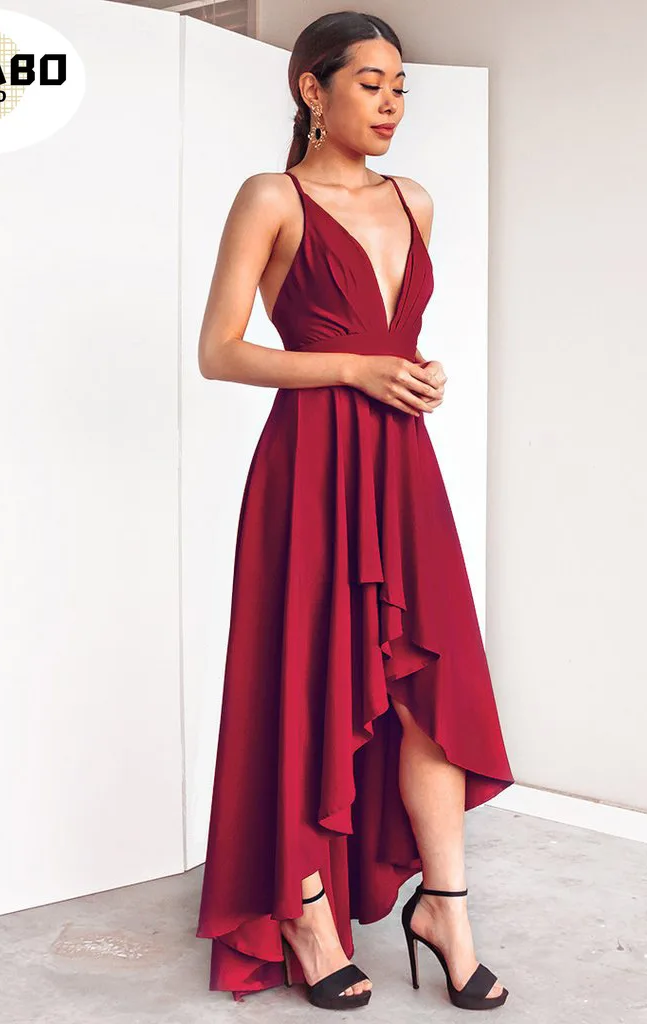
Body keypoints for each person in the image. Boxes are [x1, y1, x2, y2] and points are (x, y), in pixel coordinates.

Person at [194, 10, 514, 1011]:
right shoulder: (271, 196)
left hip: (401, 468)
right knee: (305, 685)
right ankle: (304, 912)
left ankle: (445, 909)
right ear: (311, 89)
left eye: (400, 87)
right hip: (309, 470)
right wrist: (354, 368)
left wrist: (416, 373)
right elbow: (219, 350)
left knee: (430, 687)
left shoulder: (415, 201)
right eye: (370, 83)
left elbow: (394, 334)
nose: (390, 104)